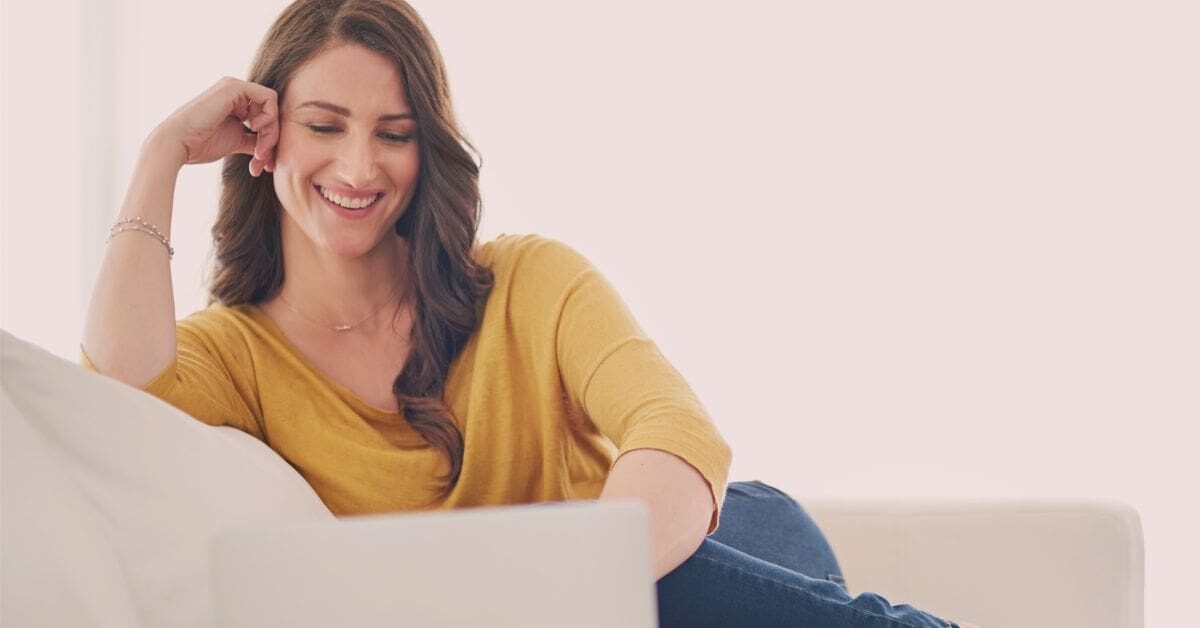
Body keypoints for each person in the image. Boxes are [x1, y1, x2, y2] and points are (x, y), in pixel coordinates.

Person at [81, 1, 977, 626]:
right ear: (264, 136)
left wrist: (576, 594)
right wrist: (163, 153)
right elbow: (117, 394)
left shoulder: (527, 280)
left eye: (394, 133)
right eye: (324, 124)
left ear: (427, 150)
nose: (359, 168)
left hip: (713, 546)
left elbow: (673, 430)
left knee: (668, 595)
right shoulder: (237, 354)